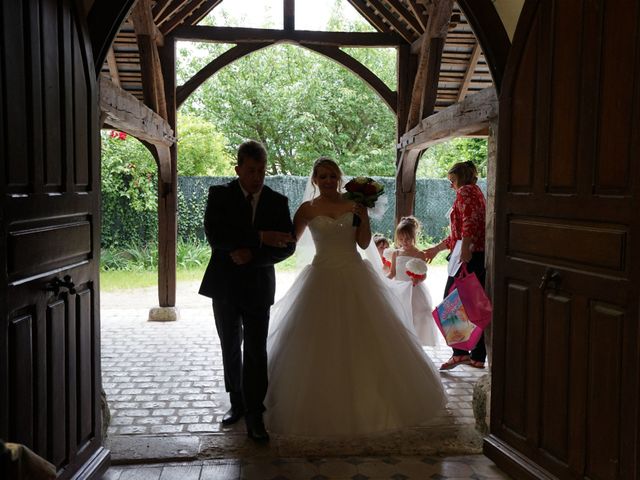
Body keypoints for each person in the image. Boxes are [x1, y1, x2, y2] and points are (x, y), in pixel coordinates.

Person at [264, 157, 445, 437]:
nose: (327, 181)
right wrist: (262, 243)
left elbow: (362, 243)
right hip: (320, 277)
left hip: (354, 273)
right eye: (322, 176)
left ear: (339, 178)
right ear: (314, 180)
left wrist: (361, 215)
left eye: (332, 176)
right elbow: (290, 243)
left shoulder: (354, 205)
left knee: (368, 338)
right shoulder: (306, 209)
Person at [199, 140, 295, 442]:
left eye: (261, 171)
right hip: (224, 285)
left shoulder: (277, 201)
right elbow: (217, 236)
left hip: (258, 286)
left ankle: (255, 412)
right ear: (238, 168)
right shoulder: (220, 195)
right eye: (251, 170)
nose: (257, 177)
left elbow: (287, 246)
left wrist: (253, 253)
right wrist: (261, 236)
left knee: (255, 350)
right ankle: (236, 402)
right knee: (230, 344)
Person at [424, 160, 487, 370]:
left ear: (460, 178)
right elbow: (457, 234)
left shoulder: (465, 192)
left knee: (451, 303)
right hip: (470, 252)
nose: (451, 185)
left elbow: (469, 223)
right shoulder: (476, 191)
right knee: (473, 303)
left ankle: (461, 353)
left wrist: (466, 249)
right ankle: (477, 355)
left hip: (467, 255)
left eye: (452, 180)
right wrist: (435, 249)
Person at [386, 216, 438, 346]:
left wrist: (418, 278)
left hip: (414, 290)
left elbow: (424, 275)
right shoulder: (396, 254)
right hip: (399, 290)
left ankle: (416, 343)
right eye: (401, 239)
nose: (405, 242)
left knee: (416, 316)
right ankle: (402, 343)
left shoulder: (419, 254)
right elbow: (392, 273)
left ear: (414, 237)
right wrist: (382, 281)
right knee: (400, 316)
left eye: (408, 239)